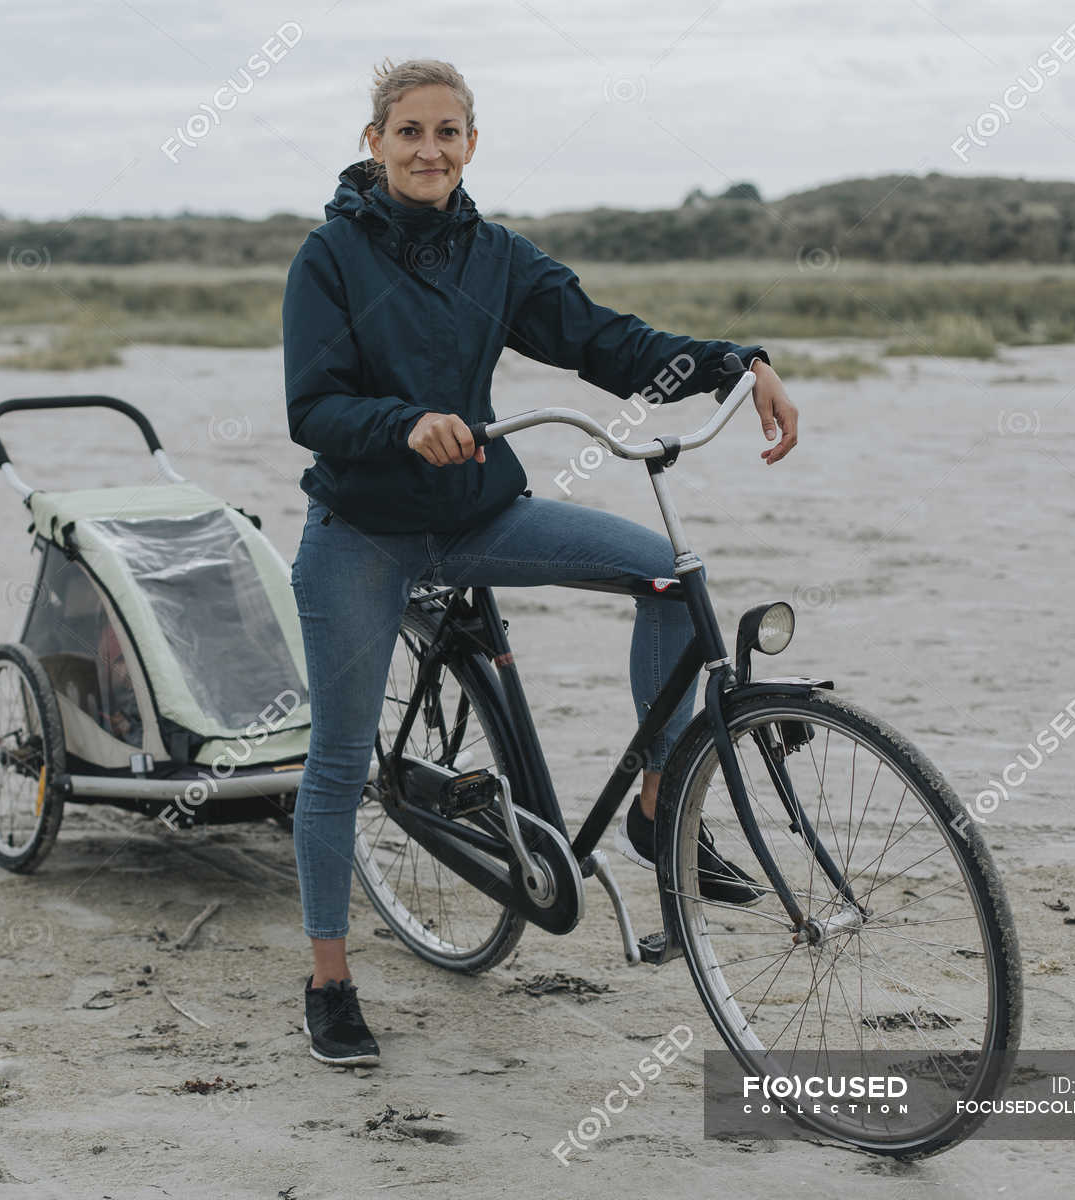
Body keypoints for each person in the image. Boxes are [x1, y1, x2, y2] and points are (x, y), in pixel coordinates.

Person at [280, 58, 799, 1068]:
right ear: (375, 143)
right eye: (408, 132)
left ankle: (659, 809)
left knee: (665, 576)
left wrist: (739, 361)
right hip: (363, 530)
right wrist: (405, 423)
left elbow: (607, 342)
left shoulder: (499, 257)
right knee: (339, 760)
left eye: (447, 132)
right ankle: (330, 978)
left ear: (472, 144)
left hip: (481, 513)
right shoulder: (329, 258)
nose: (428, 149)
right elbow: (313, 408)